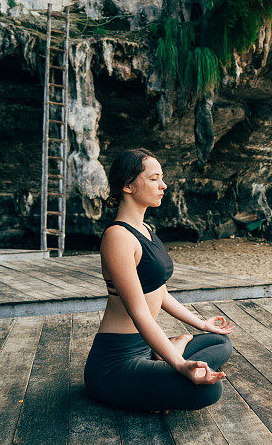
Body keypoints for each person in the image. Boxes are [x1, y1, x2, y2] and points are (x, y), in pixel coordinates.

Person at [84, 148, 235, 413]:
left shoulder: (146, 230)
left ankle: (159, 358)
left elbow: (159, 293)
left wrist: (202, 323)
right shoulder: (118, 237)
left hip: (147, 346)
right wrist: (179, 364)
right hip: (116, 362)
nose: (163, 185)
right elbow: (140, 312)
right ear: (128, 185)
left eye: (161, 178)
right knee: (210, 389)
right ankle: (162, 363)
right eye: (154, 179)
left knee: (221, 342)